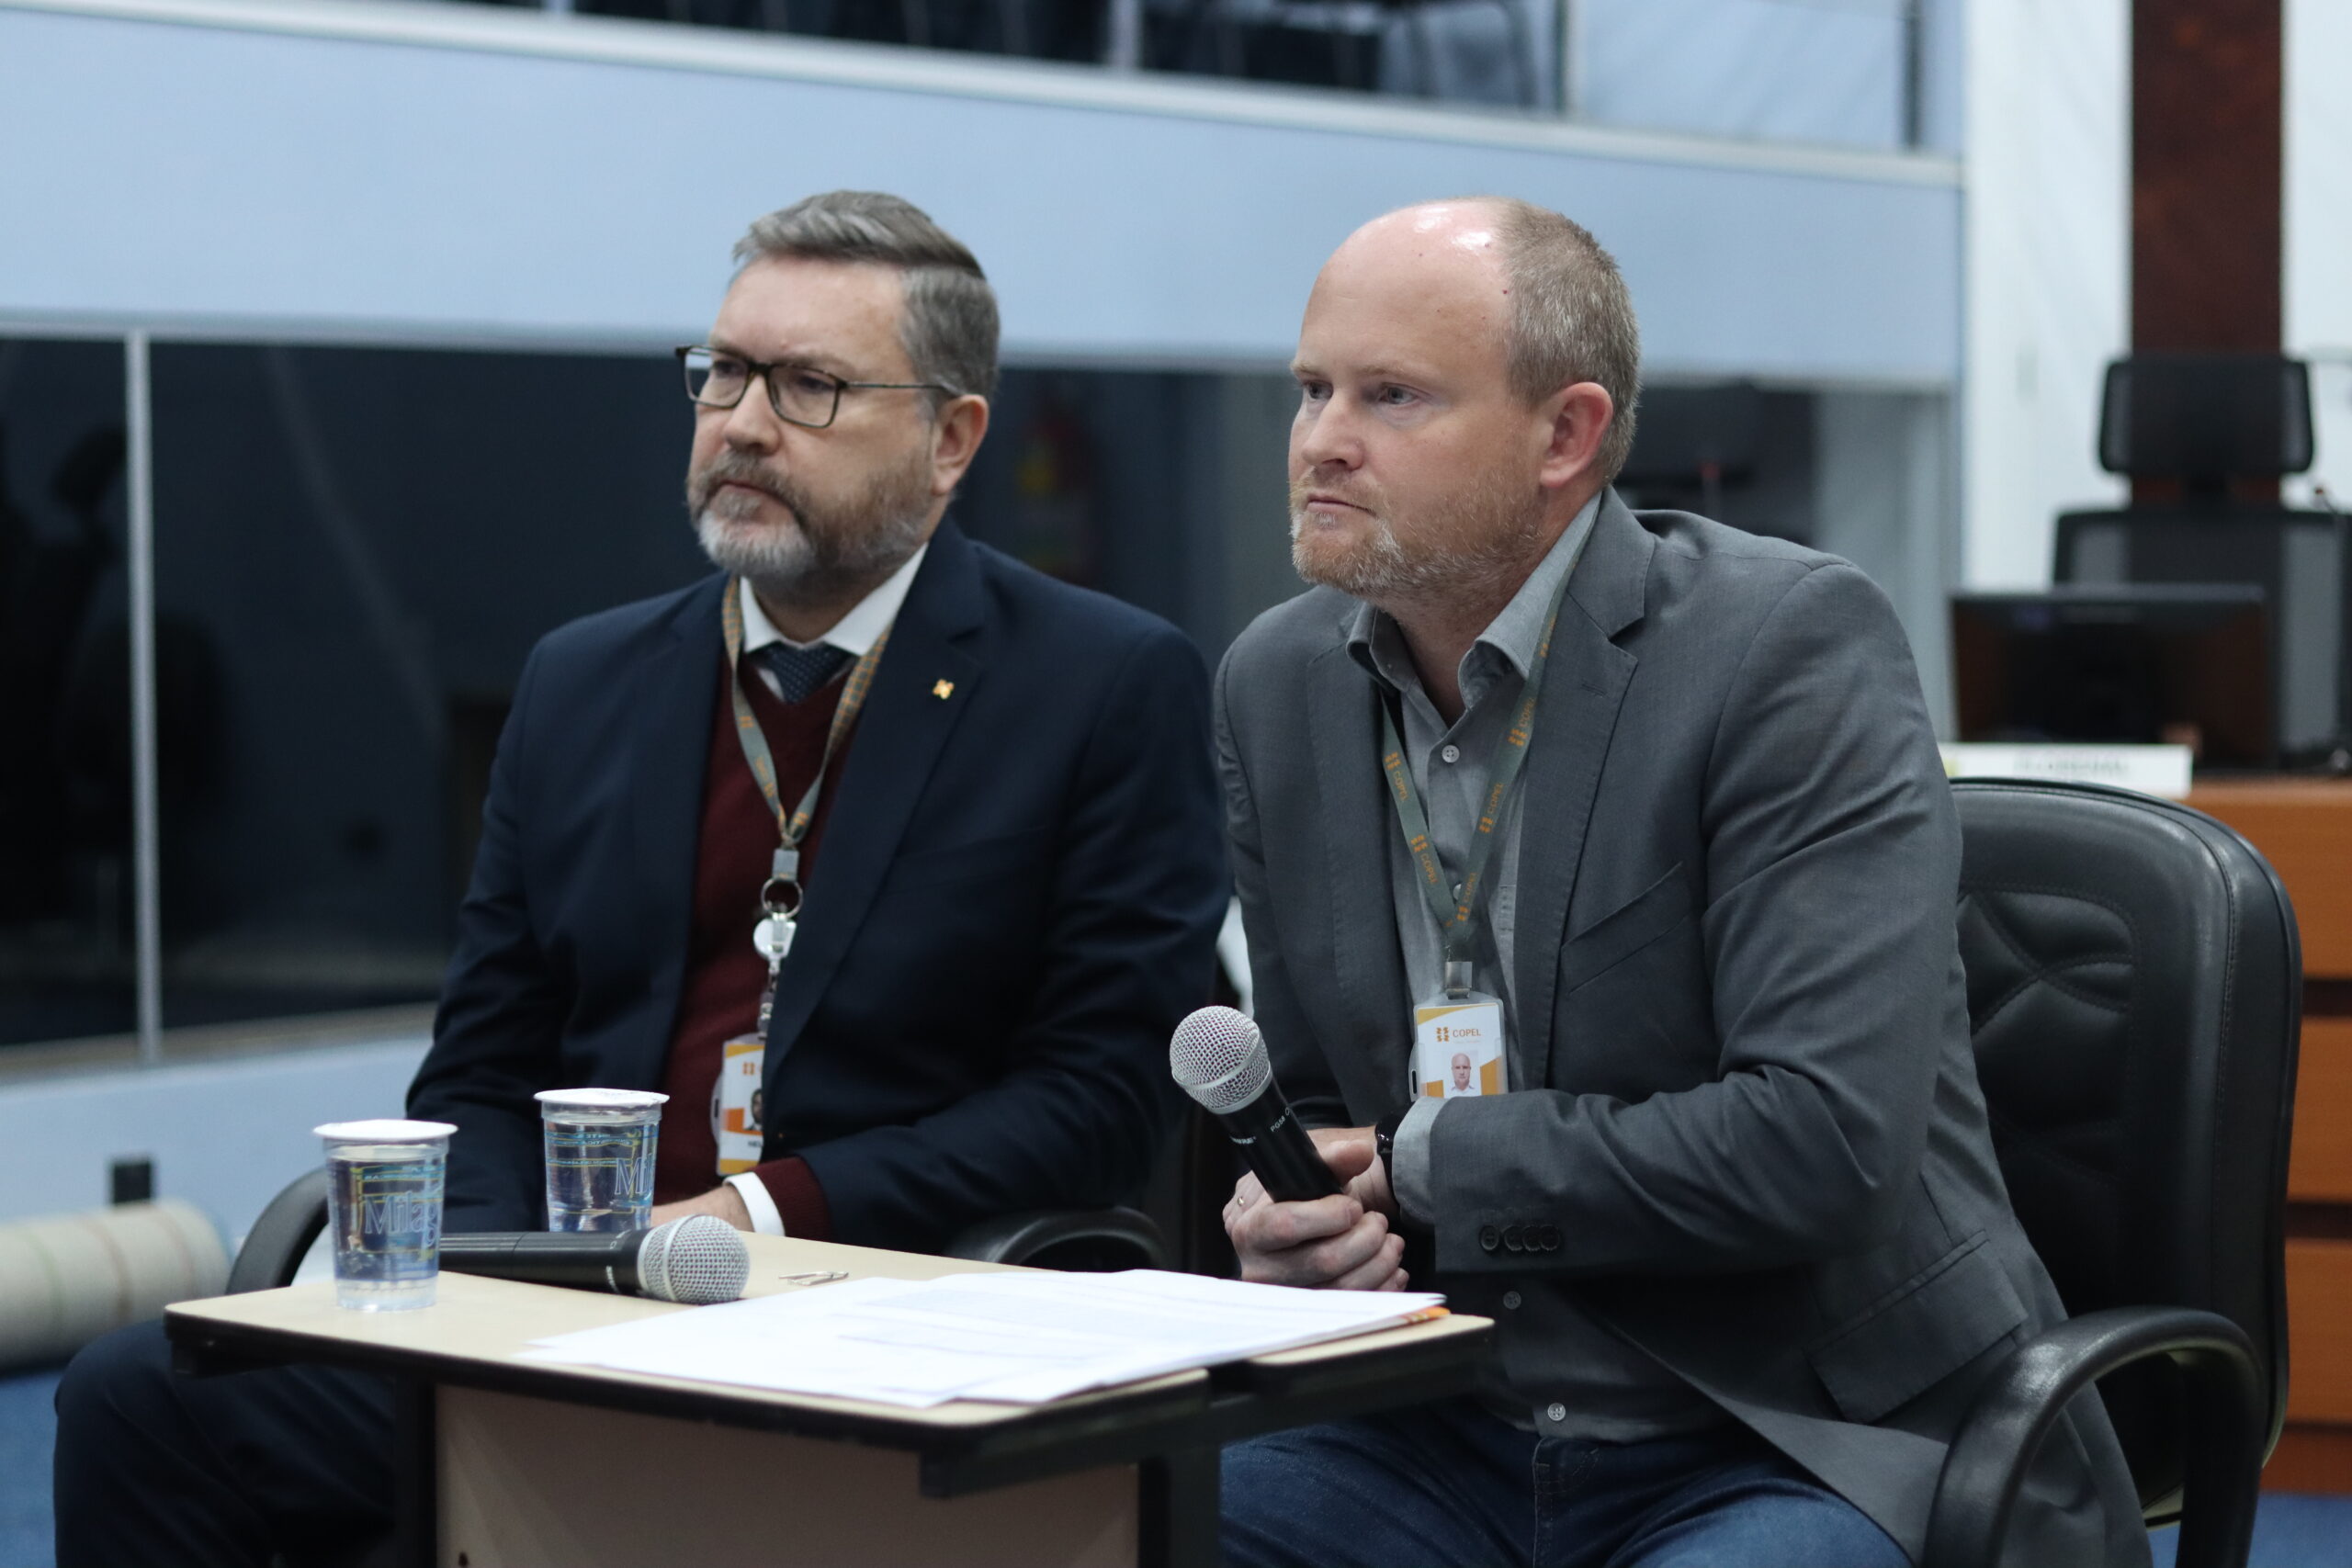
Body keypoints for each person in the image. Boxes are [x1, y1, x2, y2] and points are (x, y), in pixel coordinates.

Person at [52, 190, 1227, 1568]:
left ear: (950, 439)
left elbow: (1094, 1098)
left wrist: (762, 1210)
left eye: (809, 387)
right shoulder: (584, 681)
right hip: (570, 1301)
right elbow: (484, 1066)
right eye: (720, 371)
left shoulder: (1097, 685)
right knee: (142, 1399)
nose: (739, 422)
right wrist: (504, 1276)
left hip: (879, 1310)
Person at [1213, 197, 2146, 1568]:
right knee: (1087, 1525)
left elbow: (1818, 1144)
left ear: (1567, 436)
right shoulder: (1276, 684)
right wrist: (1291, 1211)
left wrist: (1430, 1162)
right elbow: (1314, 1104)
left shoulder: (1780, 649)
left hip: (1786, 1429)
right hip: (1432, 1417)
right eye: (1311, 390)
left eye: (1392, 396)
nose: (1320, 441)